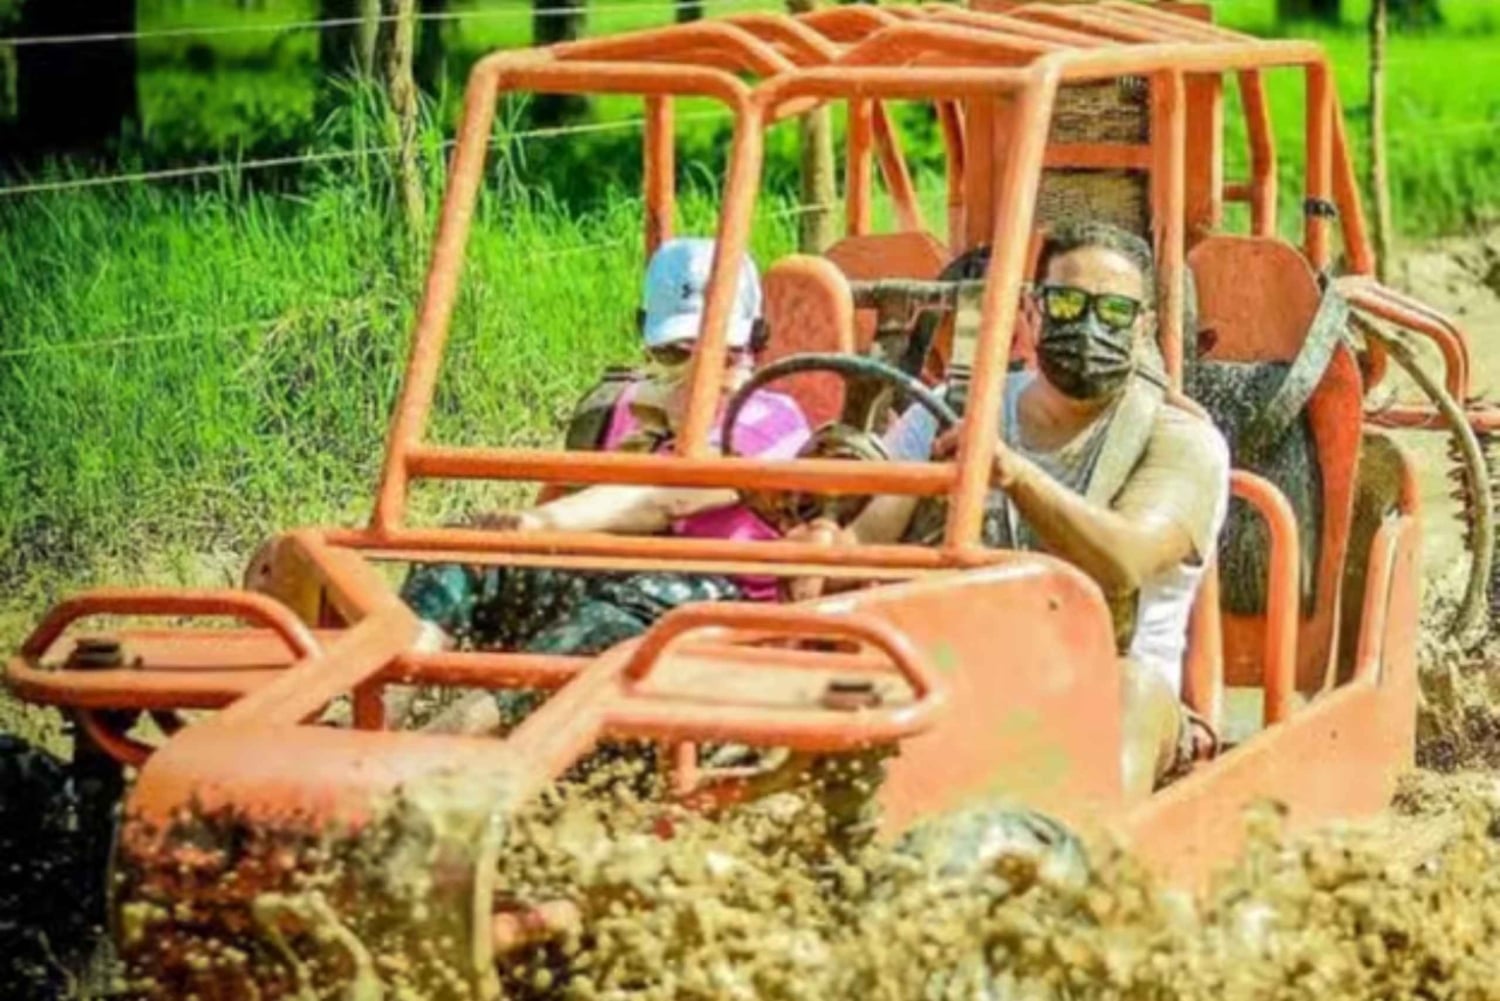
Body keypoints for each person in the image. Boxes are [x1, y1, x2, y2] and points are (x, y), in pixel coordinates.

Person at [817, 221, 1230, 799]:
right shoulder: (957, 407)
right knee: (825, 682)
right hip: (948, 670)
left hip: (1099, 686)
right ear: (1032, 313)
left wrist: (1013, 474)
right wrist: (819, 544)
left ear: (1142, 330)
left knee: (1130, 693)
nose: (1088, 326)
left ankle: (1091, 856)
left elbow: (1126, 558)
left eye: (1113, 312)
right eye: (1066, 302)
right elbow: (865, 544)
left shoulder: (1179, 440)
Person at [402, 237, 810, 674]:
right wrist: (507, 543)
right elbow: (574, 502)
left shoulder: (771, 419)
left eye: (721, 355)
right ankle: (381, 703)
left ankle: (462, 735)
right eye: (676, 353)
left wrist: (541, 524)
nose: (697, 371)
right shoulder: (632, 409)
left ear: (753, 339)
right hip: (620, 574)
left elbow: (666, 496)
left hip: (720, 597)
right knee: (464, 561)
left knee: (593, 630)